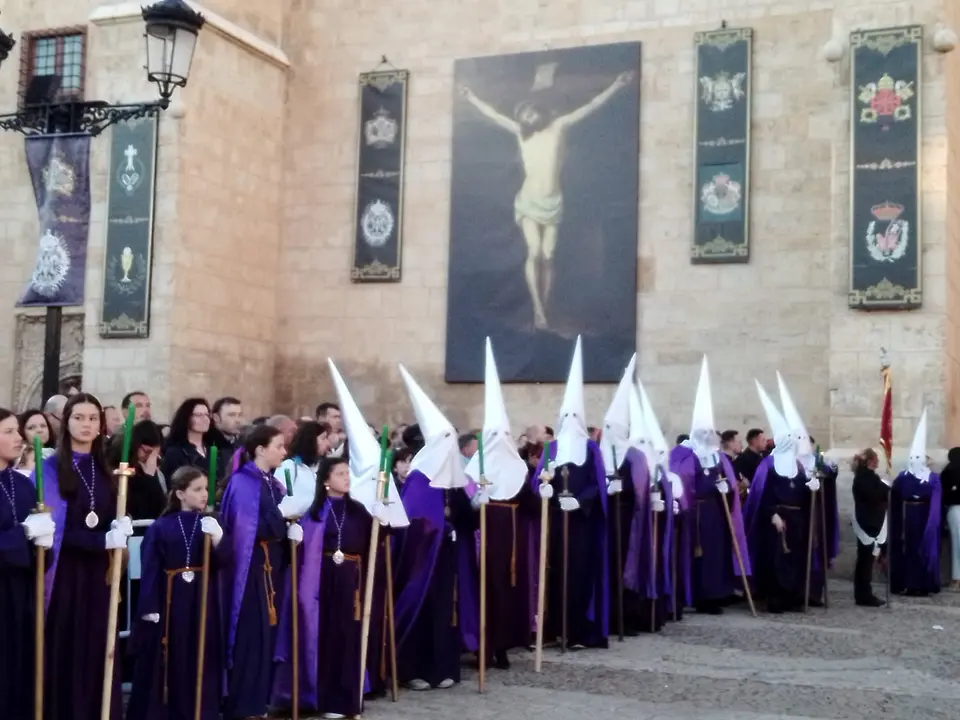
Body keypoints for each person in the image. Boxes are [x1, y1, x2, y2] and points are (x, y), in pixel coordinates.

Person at [458, 71, 634, 329]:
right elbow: (494, 116)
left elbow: (590, 107)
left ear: (538, 111)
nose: (528, 117)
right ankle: (538, 310)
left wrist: (616, 86)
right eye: (524, 115)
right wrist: (470, 97)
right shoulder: (521, 133)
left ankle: (546, 305)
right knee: (535, 251)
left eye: (530, 112)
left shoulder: (558, 127)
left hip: (553, 201)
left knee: (549, 254)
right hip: (529, 200)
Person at [272, 457, 390, 718]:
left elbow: (374, 542)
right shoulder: (314, 513)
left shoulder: (358, 510)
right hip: (322, 582)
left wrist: (382, 523)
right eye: (340, 473)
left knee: (347, 637)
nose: (347, 478)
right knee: (324, 637)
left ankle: (344, 699)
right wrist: (294, 540)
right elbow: (300, 550)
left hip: (351, 581)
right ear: (326, 480)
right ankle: (321, 697)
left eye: (348, 473)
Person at [38, 392, 132, 720]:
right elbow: (56, 527)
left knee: (96, 645)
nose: (86, 424)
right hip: (65, 573)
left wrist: (119, 526)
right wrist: (101, 539)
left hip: (98, 575)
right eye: (79, 417)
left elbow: (105, 513)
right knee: (67, 646)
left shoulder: (105, 468)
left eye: (93, 418)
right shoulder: (50, 467)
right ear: (66, 422)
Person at [394, 364, 478, 690]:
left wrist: (473, 508)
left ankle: (444, 668)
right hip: (421, 561)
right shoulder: (418, 478)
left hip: (445, 558)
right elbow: (413, 522)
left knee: (446, 610)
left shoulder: (450, 479)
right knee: (422, 609)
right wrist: (438, 529)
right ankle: (416, 670)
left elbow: (463, 518)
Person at [126, 467, 225, 720]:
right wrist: (149, 606)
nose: (204, 495)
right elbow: (151, 567)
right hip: (170, 600)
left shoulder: (211, 522)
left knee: (199, 653)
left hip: (201, 600)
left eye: (206, 489)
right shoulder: (161, 527)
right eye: (197, 489)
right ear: (180, 493)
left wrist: (218, 539)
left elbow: (225, 562)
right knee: (169, 657)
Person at [464, 338, 538, 668]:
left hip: (513, 543)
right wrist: (475, 500)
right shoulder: (472, 470)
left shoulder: (518, 470)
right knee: (485, 592)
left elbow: (532, 508)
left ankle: (506, 643)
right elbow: (462, 507)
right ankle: (483, 644)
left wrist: (542, 492)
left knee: (510, 591)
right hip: (484, 542)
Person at [219, 425, 301, 719]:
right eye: (279, 446)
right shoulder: (244, 482)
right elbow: (248, 529)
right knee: (250, 636)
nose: (284, 451)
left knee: (267, 634)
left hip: (272, 568)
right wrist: (283, 518)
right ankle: (244, 705)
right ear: (260, 450)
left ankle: (261, 701)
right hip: (251, 569)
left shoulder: (272, 482)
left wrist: (292, 529)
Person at [533, 337, 609, 648]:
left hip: (581, 525)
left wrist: (580, 501)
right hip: (554, 524)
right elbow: (538, 480)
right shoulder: (551, 449)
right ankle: (555, 629)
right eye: (565, 418)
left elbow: (597, 483)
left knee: (578, 577)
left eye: (574, 418)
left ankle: (577, 631)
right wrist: (546, 491)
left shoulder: (591, 450)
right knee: (555, 575)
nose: (569, 422)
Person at [668, 357, 750, 615]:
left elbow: (727, 482)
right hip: (695, 514)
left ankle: (716, 594)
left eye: (709, 432)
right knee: (695, 556)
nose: (706, 437)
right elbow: (682, 483)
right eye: (702, 432)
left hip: (716, 513)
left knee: (716, 555)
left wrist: (727, 490)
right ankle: (695, 595)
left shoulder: (719, 457)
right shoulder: (684, 455)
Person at [0, 407, 55, 718]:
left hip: (21, 594)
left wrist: (44, 547)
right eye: (8, 432)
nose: (18, 437)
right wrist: (22, 536)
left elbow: (39, 551)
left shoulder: (23, 485)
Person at [743, 382, 817, 613]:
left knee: (796, 558)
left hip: (797, 519)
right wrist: (772, 513)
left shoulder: (797, 465)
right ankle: (775, 597)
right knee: (776, 560)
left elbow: (801, 491)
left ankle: (794, 596)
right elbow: (761, 494)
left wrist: (811, 487)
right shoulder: (769, 464)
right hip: (776, 519)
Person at [889, 409, 941, 596]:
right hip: (906, 517)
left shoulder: (932, 478)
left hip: (924, 517)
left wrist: (932, 524)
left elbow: (936, 500)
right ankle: (907, 583)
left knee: (921, 550)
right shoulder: (903, 476)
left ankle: (923, 584)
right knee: (908, 551)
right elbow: (894, 494)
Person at [851, 448, 888, 607]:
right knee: (865, 561)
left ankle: (865, 593)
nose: (878, 461)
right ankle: (863, 595)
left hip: (873, 521)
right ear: (870, 461)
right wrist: (886, 488)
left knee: (867, 560)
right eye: (876, 459)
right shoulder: (863, 478)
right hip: (867, 523)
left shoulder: (869, 477)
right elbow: (873, 495)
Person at [109, 420, 166, 521]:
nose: (151, 459)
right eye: (148, 452)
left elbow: (160, 508)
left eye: (156, 455)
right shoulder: (120, 466)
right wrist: (148, 478)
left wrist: (151, 477)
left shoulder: (150, 468)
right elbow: (138, 509)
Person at [274, 421, 332, 509]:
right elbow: (287, 496)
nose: (328, 443)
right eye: (323, 438)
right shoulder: (288, 468)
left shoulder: (320, 467)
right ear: (310, 440)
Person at [161, 399, 218, 480]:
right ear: (187, 418)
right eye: (198, 415)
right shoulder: (175, 452)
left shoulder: (213, 449)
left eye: (207, 415)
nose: (205, 419)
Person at [941, 446, 960, 590]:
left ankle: (956, 579)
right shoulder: (949, 472)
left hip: (955, 509)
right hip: (955, 509)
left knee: (956, 545)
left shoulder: (948, 472)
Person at [15, 409, 56, 474]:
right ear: (22, 432)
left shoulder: (55, 454)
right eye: (31, 428)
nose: (39, 430)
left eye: (43, 426)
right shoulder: (18, 456)